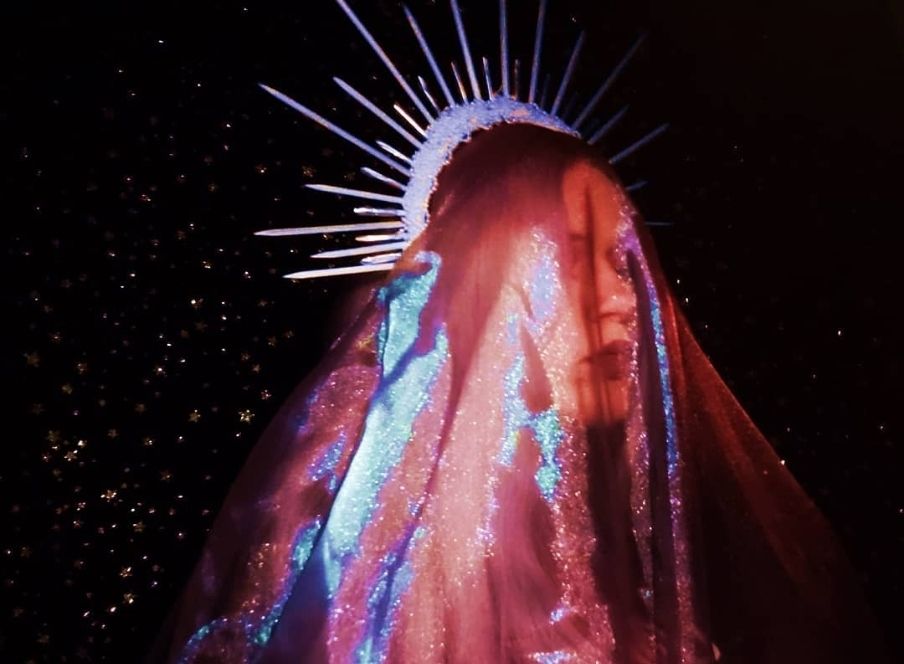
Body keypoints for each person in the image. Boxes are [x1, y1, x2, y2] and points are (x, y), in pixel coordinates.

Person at [149, 123, 886, 663]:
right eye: (574, 257)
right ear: (479, 283)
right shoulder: (332, 617)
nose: (626, 301)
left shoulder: (640, 616)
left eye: (623, 264)